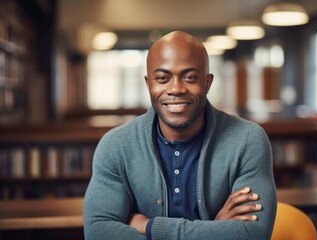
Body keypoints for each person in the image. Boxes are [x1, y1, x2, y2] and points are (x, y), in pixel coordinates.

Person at [83, 31, 277, 240]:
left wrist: (149, 226)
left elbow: (253, 233)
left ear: (208, 83)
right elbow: (98, 231)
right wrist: (213, 229)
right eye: (162, 78)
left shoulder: (247, 140)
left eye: (190, 77)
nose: (175, 88)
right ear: (149, 83)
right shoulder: (116, 145)